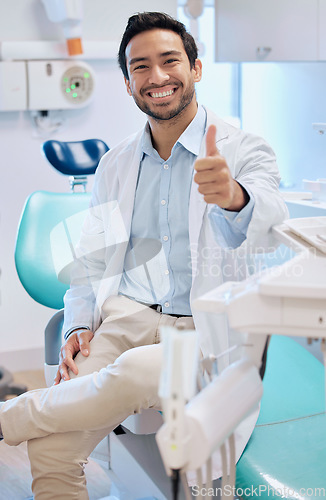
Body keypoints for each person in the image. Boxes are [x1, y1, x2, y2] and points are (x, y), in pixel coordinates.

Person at [0, 11, 288, 499]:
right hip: (125, 320)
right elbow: (92, 262)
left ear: (195, 69)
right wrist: (77, 326)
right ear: (128, 84)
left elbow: (272, 221)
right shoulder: (114, 164)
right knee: (51, 452)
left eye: (170, 60)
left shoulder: (244, 150)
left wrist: (233, 196)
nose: (157, 77)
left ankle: (13, 415)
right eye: (140, 67)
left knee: (136, 372)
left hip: (206, 327)